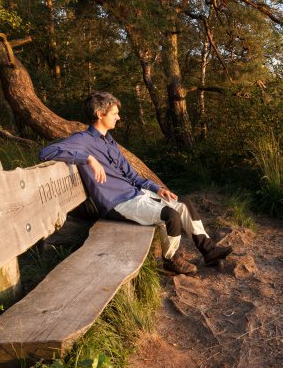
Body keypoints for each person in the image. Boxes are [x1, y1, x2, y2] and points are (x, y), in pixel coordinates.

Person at [38, 91, 232, 275]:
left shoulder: (109, 142)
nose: (118, 117)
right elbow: (46, 152)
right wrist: (88, 158)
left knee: (184, 204)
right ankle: (170, 260)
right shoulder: (82, 140)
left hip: (135, 194)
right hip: (117, 203)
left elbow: (131, 175)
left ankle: (209, 251)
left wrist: (156, 188)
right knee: (170, 215)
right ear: (99, 114)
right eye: (114, 113)